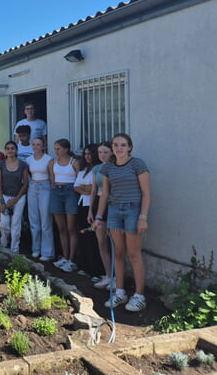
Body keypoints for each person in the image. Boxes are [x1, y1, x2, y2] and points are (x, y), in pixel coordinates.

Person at [94, 133, 151, 312]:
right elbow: (104, 193)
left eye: (123, 145)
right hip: (114, 211)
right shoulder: (108, 168)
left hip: (133, 211)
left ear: (129, 147)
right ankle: (120, 292)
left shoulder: (137, 164)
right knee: (118, 253)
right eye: (116, 145)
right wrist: (98, 217)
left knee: (134, 254)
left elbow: (147, 193)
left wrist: (143, 217)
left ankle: (139, 296)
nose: (119, 148)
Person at [49, 138, 80, 273]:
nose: (56, 151)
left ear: (66, 149)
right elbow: (52, 179)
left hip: (70, 192)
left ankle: (72, 259)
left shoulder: (74, 162)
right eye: (55, 148)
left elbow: (79, 179)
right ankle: (65, 256)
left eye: (59, 149)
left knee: (71, 228)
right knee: (61, 228)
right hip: (56, 192)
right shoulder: (52, 162)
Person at [74, 144, 104, 277]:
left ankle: (96, 269)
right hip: (82, 204)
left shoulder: (98, 170)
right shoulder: (84, 170)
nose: (87, 156)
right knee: (83, 235)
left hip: (92, 206)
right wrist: (86, 188)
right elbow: (76, 187)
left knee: (93, 237)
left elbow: (94, 188)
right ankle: (85, 266)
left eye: (90, 154)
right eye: (85, 154)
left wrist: (86, 188)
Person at [88, 142, 113, 289]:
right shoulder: (96, 168)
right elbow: (93, 191)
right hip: (98, 203)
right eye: (99, 152)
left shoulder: (115, 168)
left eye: (105, 152)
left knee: (115, 243)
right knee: (101, 242)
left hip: (112, 204)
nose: (102, 155)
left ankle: (117, 277)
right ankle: (108, 275)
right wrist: (91, 210)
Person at [0, 141, 28, 253]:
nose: (10, 150)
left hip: (19, 197)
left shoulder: (23, 165)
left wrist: (16, 199)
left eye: (13, 148)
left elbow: (25, 184)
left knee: (16, 224)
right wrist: (2, 202)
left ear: (16, 150)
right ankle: (4, 246)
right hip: (4, 196)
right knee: (4, 224)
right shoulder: (0, 164)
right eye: (8, 148)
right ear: (5, 150)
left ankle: (14, 250)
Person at [26, 137, 54, 261]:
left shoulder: (49, 159)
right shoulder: (28, 159)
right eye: (34, 144)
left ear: (43, 146)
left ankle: (47, 252)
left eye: (38, 144)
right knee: (34, 220)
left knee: (45, 221)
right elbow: (28, 175)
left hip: (45, 187)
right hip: (32, 187)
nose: (36, 146)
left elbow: (52, 176)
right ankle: (35, 249)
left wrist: (52, 189)